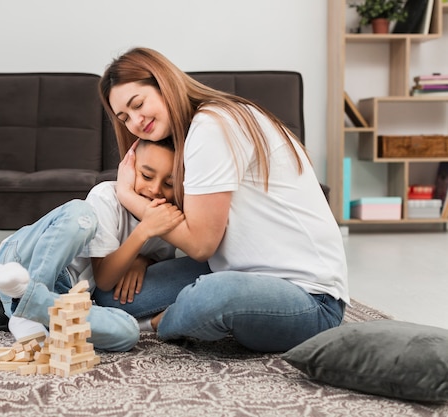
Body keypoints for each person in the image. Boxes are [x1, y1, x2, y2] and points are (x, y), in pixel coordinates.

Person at [97, 47, 350, 352]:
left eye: (138, 104)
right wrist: (143, 257)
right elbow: (190, 232)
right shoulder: (191, 135)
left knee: (214, 295)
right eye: (124, 118)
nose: (135, 121)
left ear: (164, 83)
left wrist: (126, 195)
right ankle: (188, 311)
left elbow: (201, 244)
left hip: (310, 299)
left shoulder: (212, 125)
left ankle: (158, 324)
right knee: (111, 296)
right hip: (238, 271)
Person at [0, 137, 207, 352]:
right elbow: (105, 279)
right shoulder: (107, 196)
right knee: (81, 214)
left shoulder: (165, 217)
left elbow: (157, 258)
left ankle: (32, 305)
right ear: (129, 168)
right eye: (146, 176)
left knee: (128, 333)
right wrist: (144, 230)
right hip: (28, 259)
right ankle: (29, 305)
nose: (156, 189)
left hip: (65, 295)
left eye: (169, 183)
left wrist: (143, 261)